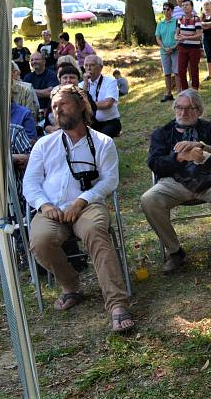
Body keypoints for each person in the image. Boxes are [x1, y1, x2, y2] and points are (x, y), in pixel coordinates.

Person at [22, 84, 133, 333]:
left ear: (81, 105)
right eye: (53, 107)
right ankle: (70, 285)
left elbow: (109, 180)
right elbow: (30, 183)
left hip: (87, 206)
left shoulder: (103, 142)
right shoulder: (44, 144)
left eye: (63, 104)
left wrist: (81, 200)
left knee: (96, 232)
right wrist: (45, 204)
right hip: (52, 210)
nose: (57, 110)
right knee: (40, 241)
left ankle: (117, 303)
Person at [141, 90, 211, 273]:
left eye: (189, 108)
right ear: (174, 109)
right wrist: (180, 157)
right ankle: (175, 252)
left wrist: (202, 147)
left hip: (208, 179)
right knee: (148, 199)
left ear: (199, 111)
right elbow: (154, 163)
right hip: (174, 182)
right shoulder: (162, 133)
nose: (183, 113)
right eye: (179, 108)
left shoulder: (210, 129)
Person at [81, 55, 122, 137]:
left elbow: (107, 104)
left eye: (92, 65)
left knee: (101, 140)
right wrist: (85, 84)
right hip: (90, 124)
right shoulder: (82, 85)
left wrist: (87, 105)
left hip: (109, 122)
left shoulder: (110, 81)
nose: (88, 68)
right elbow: (79, 105)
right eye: (86, 65)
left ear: (101, 67)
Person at [175, 0, 203, 90]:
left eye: (187, 5)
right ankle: (185, 90)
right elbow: (177, 33)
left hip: (194, 48)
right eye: (183, 5)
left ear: (191, 7)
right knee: (181, 70)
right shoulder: (180, 19)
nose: (185, 7)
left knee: (194, 69)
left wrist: (185, 38)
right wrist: (177, 37)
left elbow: (199, 35)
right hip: (183, 47)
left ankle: (195, 89)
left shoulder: (196, 19)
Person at [155, 1, 179, 102]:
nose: (166, 11)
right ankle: (168, 93)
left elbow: (180, 36)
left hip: (176, 50)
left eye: (168, 9)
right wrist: (164, 48)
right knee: (167, 73)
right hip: (164, 51)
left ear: (172, 11)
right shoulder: (160, 23)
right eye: (164, 9)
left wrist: (174, 47)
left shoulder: (177, 22)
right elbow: (158, 37)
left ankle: (179, 93)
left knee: (177, 72)